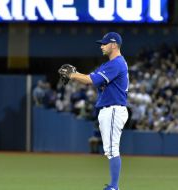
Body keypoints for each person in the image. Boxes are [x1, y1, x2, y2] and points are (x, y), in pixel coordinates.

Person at [59, 32, 129, 190]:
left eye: (104, 43)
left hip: (113, 109)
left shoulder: (116, 63)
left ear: (114, 44)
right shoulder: (108, 65)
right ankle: (113, 186)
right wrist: (76, 75)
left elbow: (91, 80)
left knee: (112, 149)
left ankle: (114, 187)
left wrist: (72, 74)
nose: (102, 46)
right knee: (110, 150)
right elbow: (90, 78)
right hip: (109, 109)